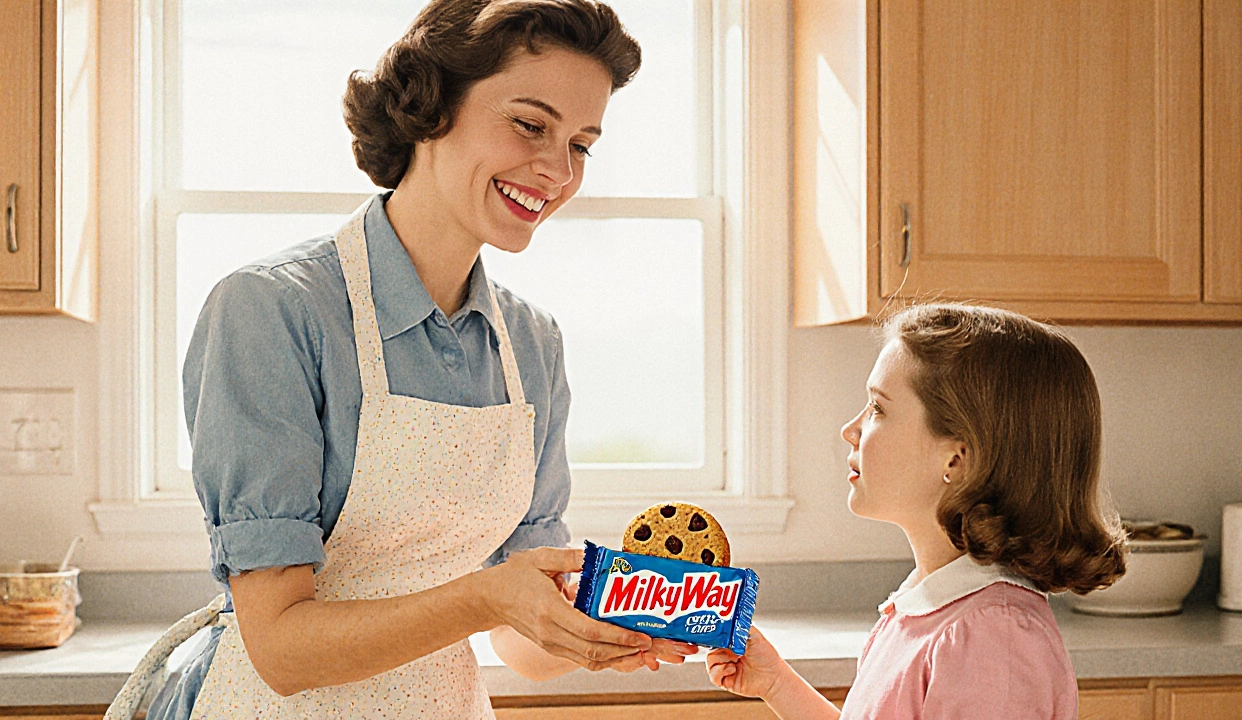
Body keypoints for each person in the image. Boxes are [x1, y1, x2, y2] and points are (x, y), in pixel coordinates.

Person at [130, 2, 695, 718]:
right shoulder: (273, 312)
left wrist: (616, 627)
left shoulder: (530, 346)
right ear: (432, 107)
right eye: (530, 125)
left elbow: (521, 643)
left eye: (581, 144)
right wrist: (488, 595)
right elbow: (279, 647)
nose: (557, 170)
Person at [706, 303, 1127, 720]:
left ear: (956, 460)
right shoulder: (928, 609)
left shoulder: (992, 637)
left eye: (878, 408)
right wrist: (777, 682)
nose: (851, 430)